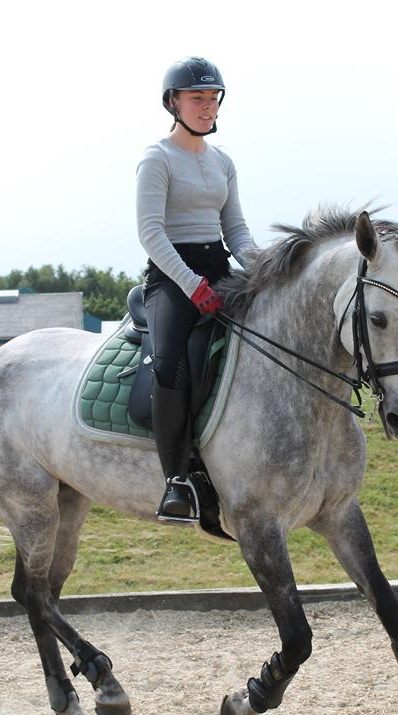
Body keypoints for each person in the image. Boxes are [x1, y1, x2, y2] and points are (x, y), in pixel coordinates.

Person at [136, 56, 256, 521]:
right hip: (171, 276)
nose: (207, 107)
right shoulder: (156, 160)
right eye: (197, 98)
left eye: (213, 98)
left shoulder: (223, 162)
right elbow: (151, 233)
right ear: (173, 103)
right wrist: (192, 286)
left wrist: (263, 270)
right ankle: (176, 479)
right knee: (170, 363)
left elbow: (237, 231)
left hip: (218, 266)